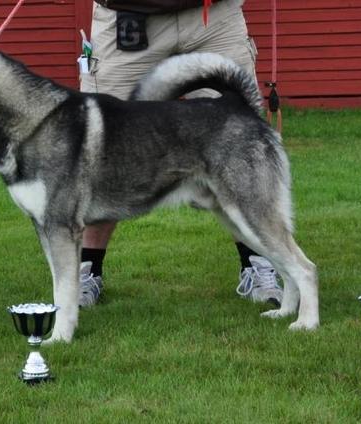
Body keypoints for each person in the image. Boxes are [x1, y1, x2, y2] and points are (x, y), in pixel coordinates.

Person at [78, 0, 282, 307]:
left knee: (240, 146)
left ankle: (259, 265)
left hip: (214, 16)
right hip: (127, 16)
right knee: (101, 150)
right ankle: (86, 272)